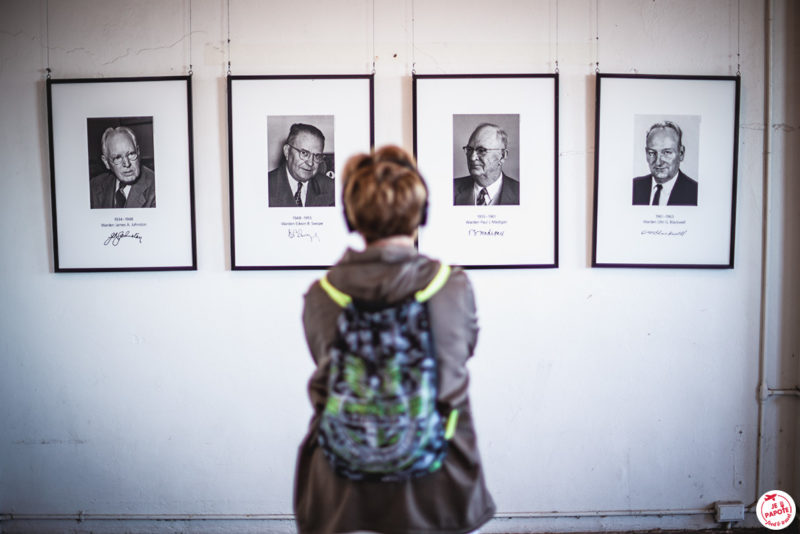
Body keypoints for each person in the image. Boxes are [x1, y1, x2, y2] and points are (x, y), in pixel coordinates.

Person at [294, 146, 495, 534]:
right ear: (421, 212)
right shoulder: (450, 285)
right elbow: (462, 353)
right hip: (437, 479)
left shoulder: (321, 294)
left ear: (350, 216)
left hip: (340, 486)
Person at [268, 123, 335, 207]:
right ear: (287, 151)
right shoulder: (266, 186)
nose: (310, 163)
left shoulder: (331, 188)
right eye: (304, 153)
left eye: (317, 156)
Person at [632, 121, 698, 206]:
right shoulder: (634, 187)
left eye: (667, 152)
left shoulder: (695, 192)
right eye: (652, 153)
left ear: (681, 153)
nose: (658, 162)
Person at [454, 123, 519, 206]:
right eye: (469, 149)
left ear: (502, 156)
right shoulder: (450, 189)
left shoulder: (521, 193)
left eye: (481, 150)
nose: (472, 158)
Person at [90, 126, 155, 209]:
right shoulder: (94, 186)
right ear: (106, 162)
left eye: (131, 154)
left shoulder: (157, 188)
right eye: (117, 158)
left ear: (138, 152)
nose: (127, 164)